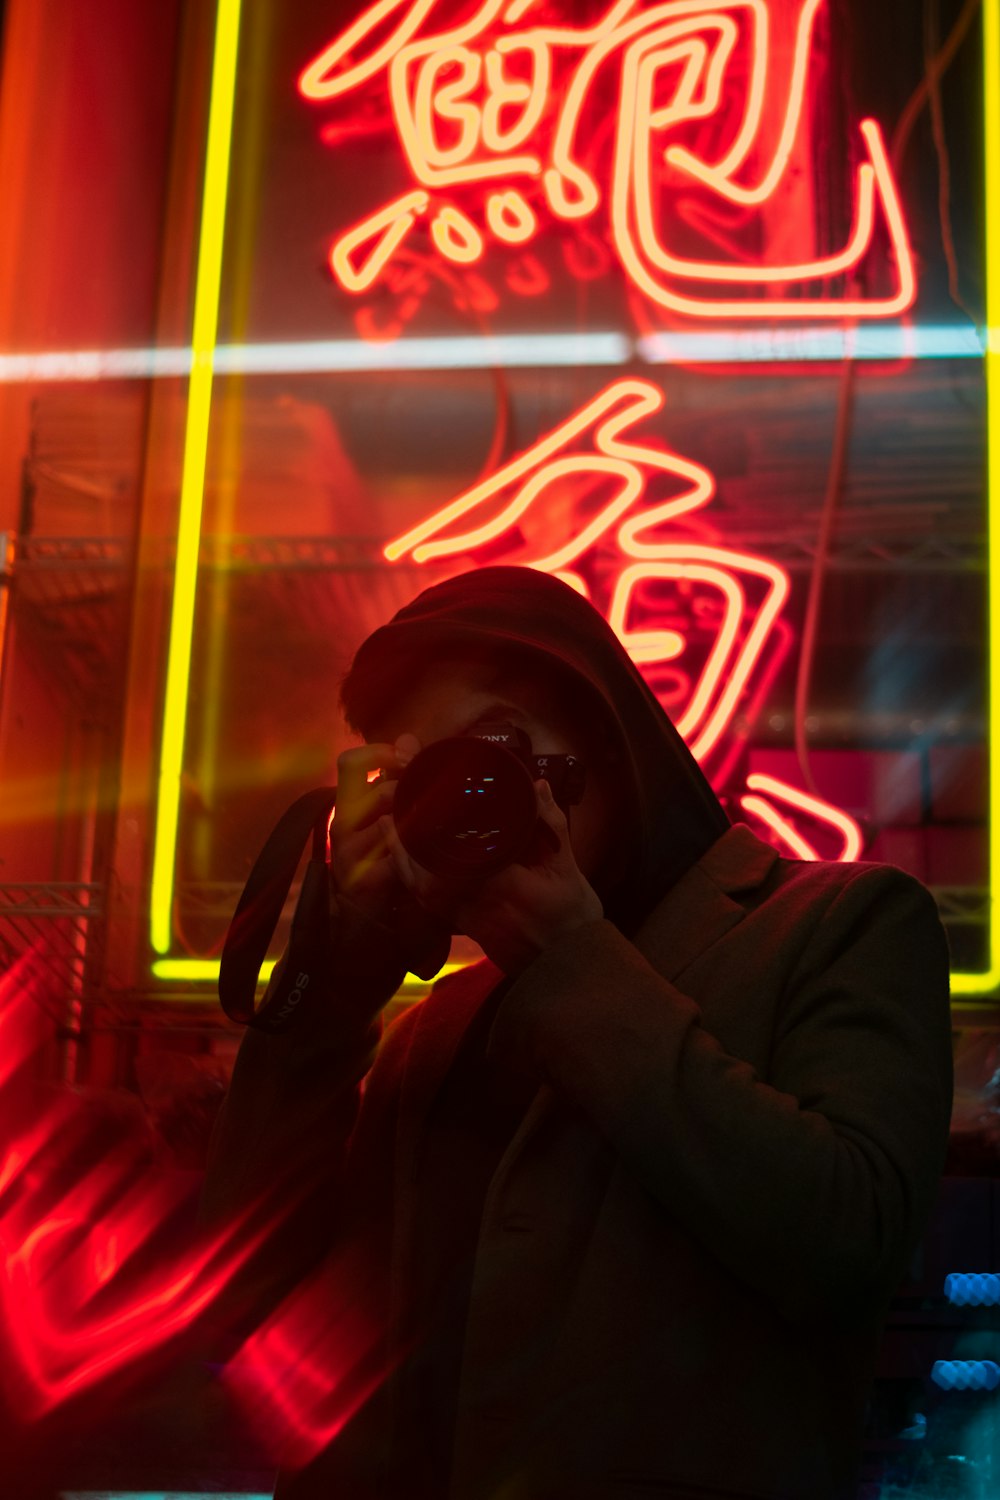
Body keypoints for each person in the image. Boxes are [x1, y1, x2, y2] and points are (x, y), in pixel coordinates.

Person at [202, 566, 954, 1500]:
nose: (465, 798)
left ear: (608, 737)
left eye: (497, 750)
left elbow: (849, 1245)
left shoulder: (837, 926)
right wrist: (335, 985)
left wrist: (571, 960)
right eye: (421, 778)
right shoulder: (435, 1028)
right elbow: (244, 1291)